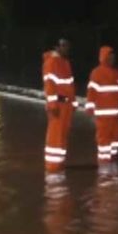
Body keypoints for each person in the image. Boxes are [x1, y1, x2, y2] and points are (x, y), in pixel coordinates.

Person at [84, 46, 118, 164]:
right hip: (103, 115)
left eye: (113, 57)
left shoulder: (117, 74)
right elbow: (91, 92)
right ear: (104, 58)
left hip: (116, 114)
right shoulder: (96, 73)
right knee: (104, 139)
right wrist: (90, 106)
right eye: (109, 57)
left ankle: (113, 157)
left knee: (116, 138)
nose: (112, 59)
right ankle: (104, 161)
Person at [42, 38, 77, 172]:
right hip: (58, 104)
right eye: (64, 46)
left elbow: (70, 85)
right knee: (55, 135)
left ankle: (59, 163)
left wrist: (73, 103)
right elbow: (49, 84)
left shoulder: (65, 63)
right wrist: (52, 104)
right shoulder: (51, 62)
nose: (67, 48)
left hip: (66, 105)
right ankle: (52, 166)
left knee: (63, 135)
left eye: (68, 46)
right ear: (57, 47)